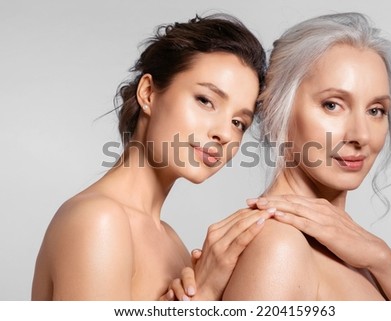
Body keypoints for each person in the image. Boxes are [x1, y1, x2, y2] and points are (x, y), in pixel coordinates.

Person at [172, 12, 391, 301]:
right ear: (277, 109)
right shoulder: (279, 246)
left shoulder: (360, 251)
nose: (361, 135)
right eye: (332, 105)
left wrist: (382, 258)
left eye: (376, 110)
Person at [31, 13, 271, 300]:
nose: (224, 133)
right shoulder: (98, 220)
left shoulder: (172, 244)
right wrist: (204, 294)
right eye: (205, 100)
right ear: (148, 93)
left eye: (239, 123)